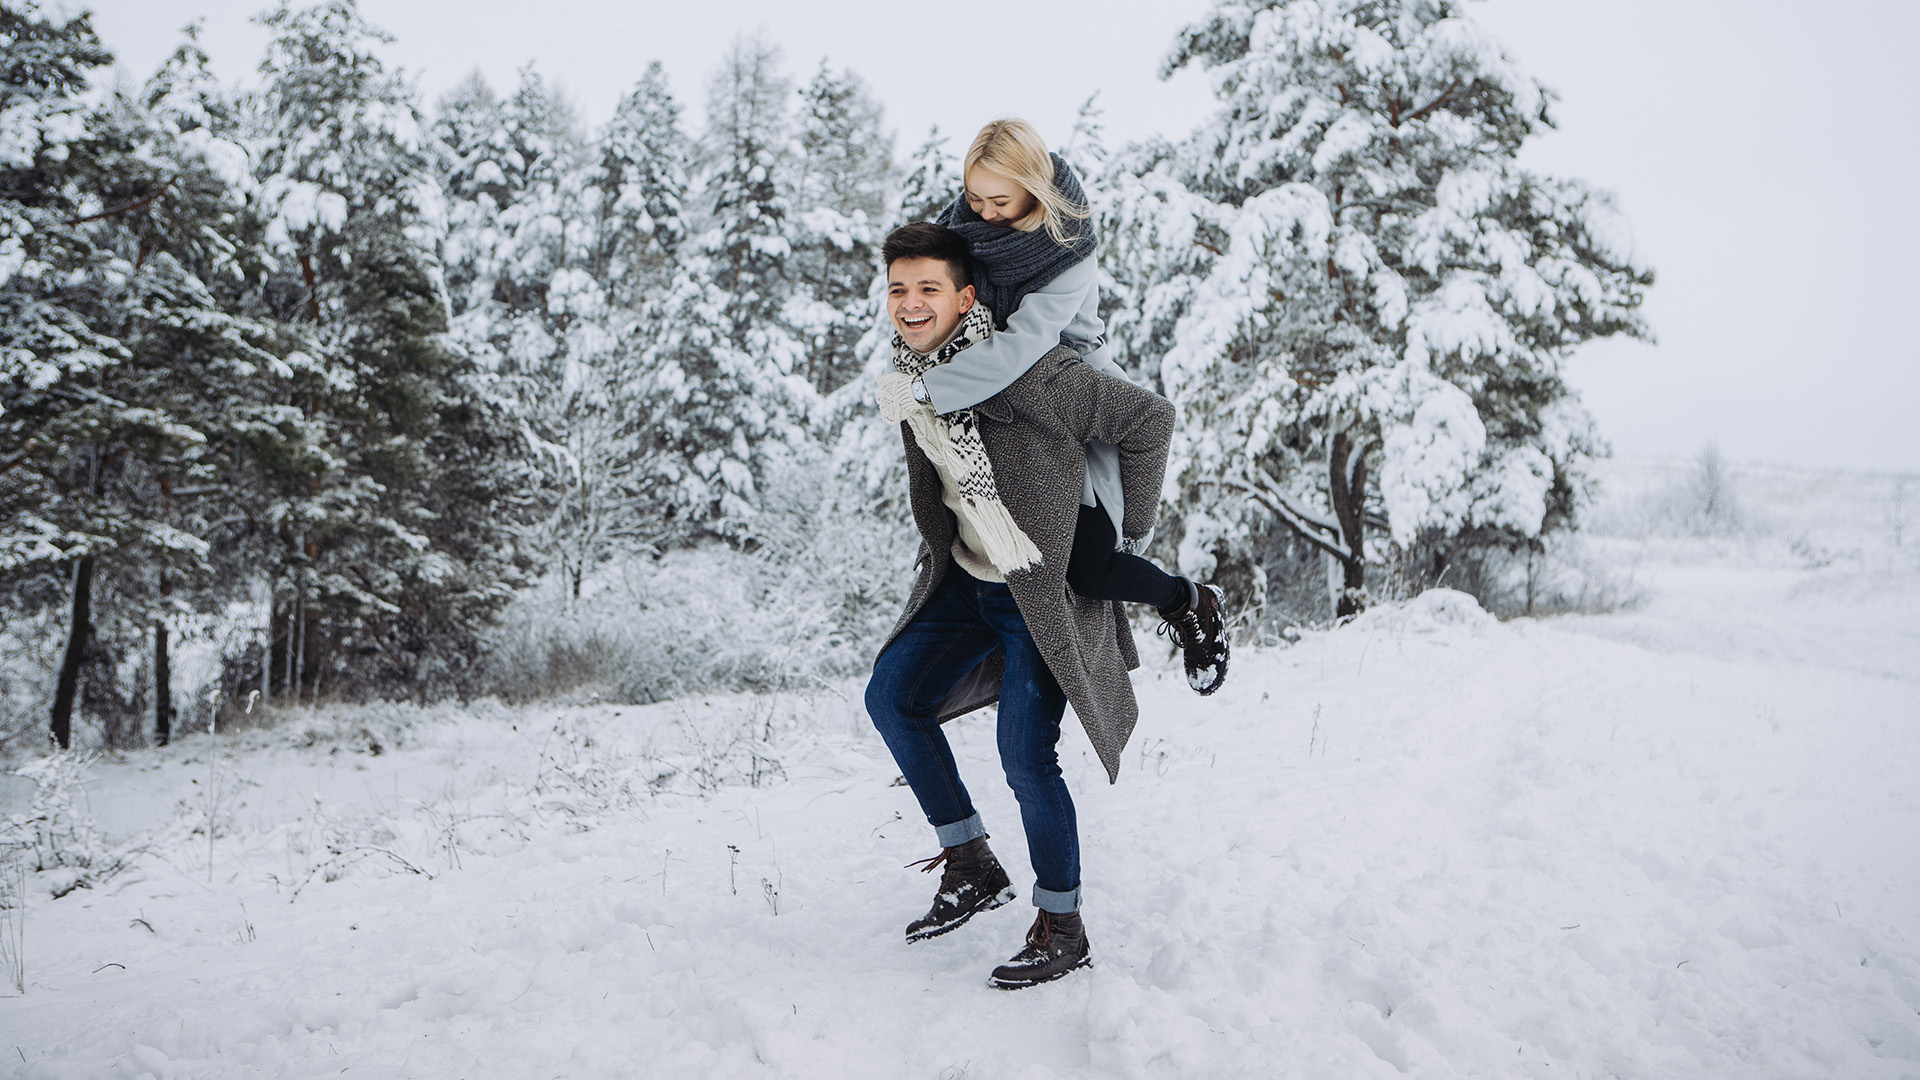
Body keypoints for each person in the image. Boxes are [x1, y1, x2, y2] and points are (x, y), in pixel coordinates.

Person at [867, 221, 1172, 989]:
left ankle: (1062, 924)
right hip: (967, 584)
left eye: (928, 288)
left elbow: (1149, 420)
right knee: (892, 697)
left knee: (1025, 758)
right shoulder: (911, 379)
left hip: (1037, 591)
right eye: (898, 289)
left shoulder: (1033, 373)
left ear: (966, 296)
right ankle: (970, 861)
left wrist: (1127, 528)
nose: (910, 303)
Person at [907, 118, 1229, 694]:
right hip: (990, 399)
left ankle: (1190, 602)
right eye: (973, 196)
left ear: (1034, 189)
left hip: (1064, 390)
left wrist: (934, 388)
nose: (981, 212)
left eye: (998, 200)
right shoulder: (965, 226)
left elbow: (1024, 344)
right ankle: (938, 694)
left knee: (1089, 568)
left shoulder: (1068, 249)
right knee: (970, 545)